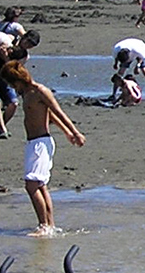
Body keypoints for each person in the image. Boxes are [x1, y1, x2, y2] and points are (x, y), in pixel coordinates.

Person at [5, 61, 85, 235]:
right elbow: (50, 117)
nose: (12, 88)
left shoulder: (40, 91)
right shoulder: (26, 94)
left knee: (31, 185)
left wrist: (74, 133)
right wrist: (66, 133)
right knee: (40, 185)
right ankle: (49, 225)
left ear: (18, 80)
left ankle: (44, 226)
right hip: (33, 143)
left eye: (12, 84)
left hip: (41, 143)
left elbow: (58, 113)